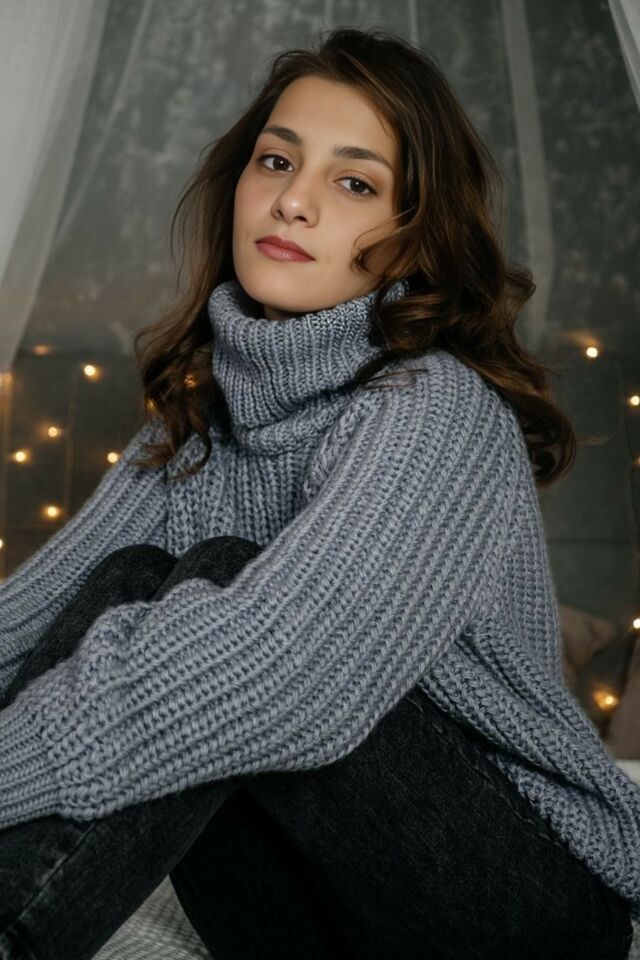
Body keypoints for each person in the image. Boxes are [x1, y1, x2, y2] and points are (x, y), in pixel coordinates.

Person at [0, 25, 636, 960]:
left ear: (414, 238)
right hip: (313, 902)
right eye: (276, 161)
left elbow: (286, 672)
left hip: (525, 896)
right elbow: (28, 623)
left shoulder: (434, 408)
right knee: (135, 576)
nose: (292, 200)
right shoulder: (194, 425)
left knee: (220, 582)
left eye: (355, 184)